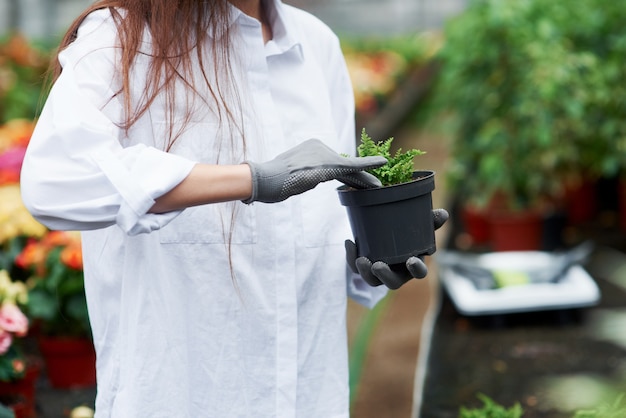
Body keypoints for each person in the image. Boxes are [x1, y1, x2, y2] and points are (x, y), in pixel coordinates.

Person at [20, 0, 447, 416]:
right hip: (179, 396)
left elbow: (320, 227)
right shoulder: (123, 36)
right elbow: (54, 182)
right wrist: (252, 180)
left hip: (309, 392)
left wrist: (372, 259)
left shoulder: (315, 45)